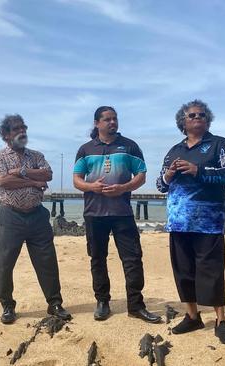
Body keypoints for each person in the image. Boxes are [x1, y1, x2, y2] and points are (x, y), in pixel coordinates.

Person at [156, 99, 225, 345]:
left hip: (209, 221)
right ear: (183, 121)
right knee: (183, 271)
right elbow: (160, 185)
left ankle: (221, 320)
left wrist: (198, 171)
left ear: (208, 119)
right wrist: (169, 175)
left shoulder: (218, 144)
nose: (197, 118)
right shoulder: (174, 150)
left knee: (212, 271)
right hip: (178, 222)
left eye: (202, 115)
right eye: (192, 115)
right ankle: (192, 316)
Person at [73, 106, 161, 323]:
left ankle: (136, 305)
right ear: (97, 123)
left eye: (115, 119)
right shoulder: (85, 149)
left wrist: (124, 187)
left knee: (132, 259)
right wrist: (91, 186)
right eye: (107, 119)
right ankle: (102, 302)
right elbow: (77, 180)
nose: (112, 122)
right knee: (97, 259)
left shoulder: (129, 146)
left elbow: (141, 175)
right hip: (94, 213)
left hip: (122, 212)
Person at [0, 114, 71, 324]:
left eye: (24, 127)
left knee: (47, 262)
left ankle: (54, 303)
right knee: (4, 263)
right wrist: (33, 182)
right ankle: (7, 306)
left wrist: (22, 172)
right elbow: (3, 181)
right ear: (6, 134)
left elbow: (48, 175)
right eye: (16, 129)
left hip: (37, 216)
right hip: (11, 216)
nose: (22, 132)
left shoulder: (35, 155)